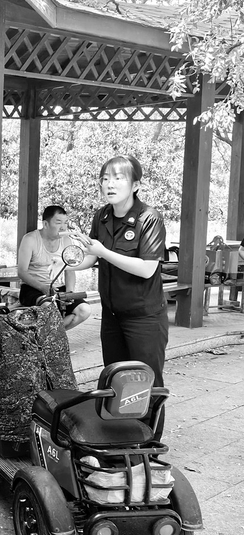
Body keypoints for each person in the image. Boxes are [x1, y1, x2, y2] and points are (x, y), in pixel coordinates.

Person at [67, 155, 168, 387]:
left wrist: (103, 252)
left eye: (118, 178)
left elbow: (146, 269)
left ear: (135, 185)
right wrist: (66, 263)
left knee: (145, 385)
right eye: (105, 179)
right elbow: (92, 255)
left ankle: (150, 414)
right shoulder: (102, 216)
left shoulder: (149, 218)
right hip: (111, 316)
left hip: (144, 319)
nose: (109, 184)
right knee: (116, 383)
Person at [17, 205, 92, 330]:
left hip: (58, 288)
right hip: (33, 288)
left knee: (84, 310)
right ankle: (52, 336)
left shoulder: (66, 240)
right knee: (50, 308)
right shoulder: (30, 239)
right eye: (58, 222)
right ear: (45, 224)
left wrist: (70, 293)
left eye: (65, 223)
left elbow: (69, 270)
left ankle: (52, 335)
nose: (63, 227)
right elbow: (21, 272)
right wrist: (43, 287)